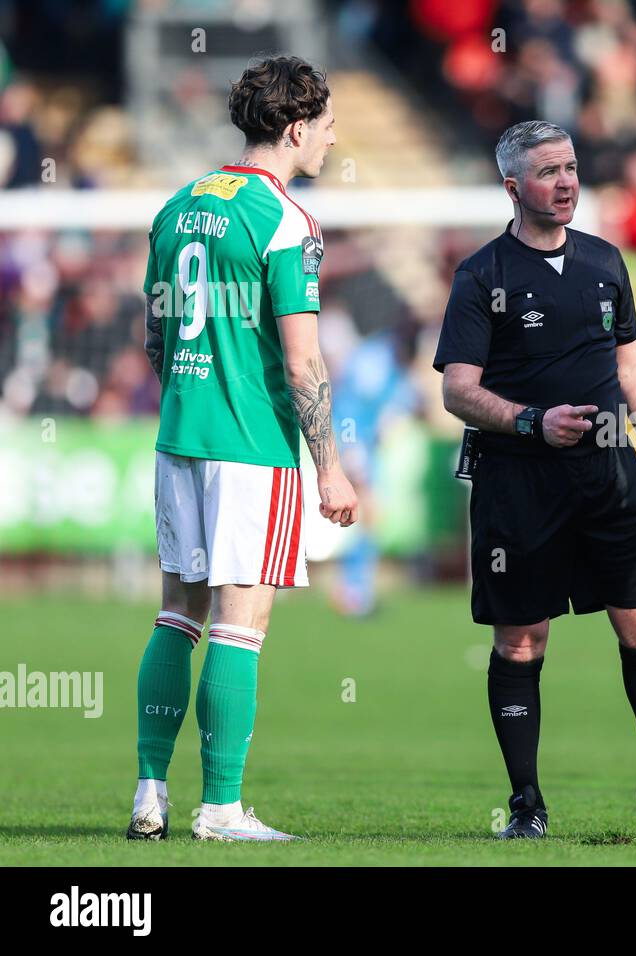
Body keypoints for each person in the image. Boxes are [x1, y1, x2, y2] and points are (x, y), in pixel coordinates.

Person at [434, 120, 636, 839]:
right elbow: (458, 390)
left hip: (607, 476)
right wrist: (532, 421)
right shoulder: (481, 276)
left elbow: (632, 366)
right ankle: (526, 804)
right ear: (512, 187)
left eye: (570, 167)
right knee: (521, 641)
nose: (565, 182)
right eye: (548, 171)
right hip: (516, 482)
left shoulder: (605, 261)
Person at [129, 55, 358, 842]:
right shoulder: (286, 221)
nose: (331, 141)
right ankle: (221, 808)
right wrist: (329, 465)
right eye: (326, 127)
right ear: (296, 127)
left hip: (179, 437)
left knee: (175, 615)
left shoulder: (178, 205)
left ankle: (149, 792)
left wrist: (194, 391)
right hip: (252, 446)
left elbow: (154, 335)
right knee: (240, 625)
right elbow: (303, 361)